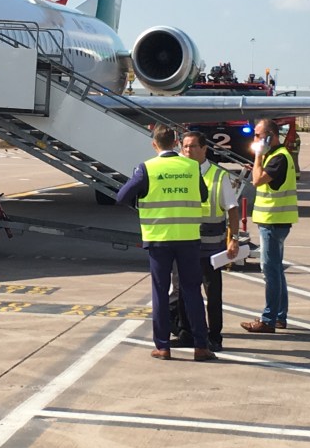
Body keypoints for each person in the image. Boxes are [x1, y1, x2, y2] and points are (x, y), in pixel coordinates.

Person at [116, 125, 217, 362]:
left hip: (159, 238)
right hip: (188, 237)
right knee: (192, 290)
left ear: (154, 144)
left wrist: (141, 200)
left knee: (161, 291)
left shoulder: (147, 168)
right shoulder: (191, 167)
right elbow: (202, 195)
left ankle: (162, 346)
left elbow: (122, 196)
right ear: (175, 143)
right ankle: (201, 346)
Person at [173, 131, 241, 352]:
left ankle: (214, 335)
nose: (188, 151)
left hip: (211, 246)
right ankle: (186, 333)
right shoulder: (179, 173)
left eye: (193, 147)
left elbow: (232, 211)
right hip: (185, 243)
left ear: (204, 149)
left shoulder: (218, 176)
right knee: (183, 289)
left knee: (212, 293)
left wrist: (234, 240)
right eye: (185, 147)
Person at [241, 118, 298, 334]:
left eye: (257, 135)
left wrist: (257, 157)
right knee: (276, 269)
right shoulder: (276, 156)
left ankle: (268, 320)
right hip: (275, 221)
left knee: (270, 270)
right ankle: (279, 316)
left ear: (269, 136)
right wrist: (259, 163)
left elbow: (257, 181)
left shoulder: (277, 158)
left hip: (273, 221)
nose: (254, 139)